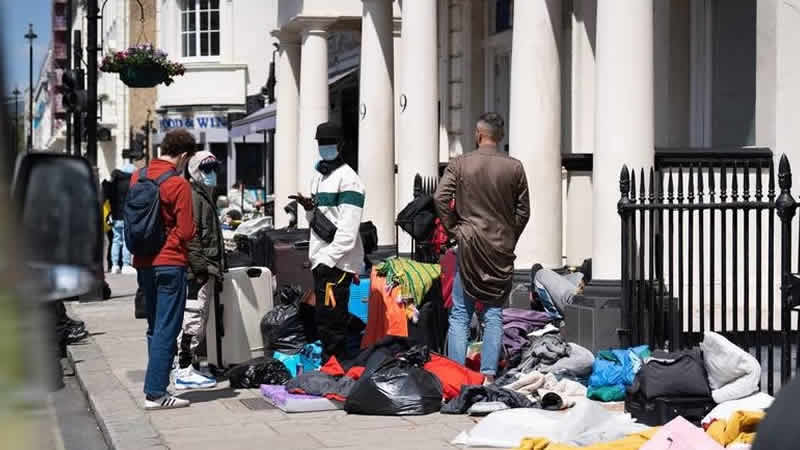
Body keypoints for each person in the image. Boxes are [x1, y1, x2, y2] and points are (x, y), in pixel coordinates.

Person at [434, 112, 530, 382]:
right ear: (500, 137)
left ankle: (456, 375)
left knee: (460, 313)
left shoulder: (461, 164)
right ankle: (488, 375)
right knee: (494, 313)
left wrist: (455, 229)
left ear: (478, 134)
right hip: (499, 247)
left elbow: (441, 198)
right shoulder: (514, 167)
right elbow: (524, 212)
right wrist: (508, 235)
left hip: (469, 244)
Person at [131, 129, 196, 410]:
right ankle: (156, 392)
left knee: (154, 327)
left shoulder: (139, 176)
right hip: (170, 262)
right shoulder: (178, 184)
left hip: (144, 261)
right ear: (182, 155)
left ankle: (158, 385)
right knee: (168, 329)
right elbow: (187, 230)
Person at [292, 122, 365, 362]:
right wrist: (310, 210)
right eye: (321, 143)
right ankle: (331, 367)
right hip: (321, 258)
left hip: (338, 262)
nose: (325, 148)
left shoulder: (349, 180)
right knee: (324, 319)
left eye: (329, 143)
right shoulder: (319, 177)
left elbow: (348, 229)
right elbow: (319, 222)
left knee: (333, 321)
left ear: (341, 145)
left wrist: (328, 260)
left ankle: (336, 368)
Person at [174, 151, 223, 390]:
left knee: (198, 317)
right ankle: (183, 368)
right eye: (206, 169)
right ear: (194, 171)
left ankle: (188, 366)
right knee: (193, 317)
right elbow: (191, 236)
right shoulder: (194, 196)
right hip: (198, 271)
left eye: (214, 168)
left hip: (204, 268)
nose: (212, 173)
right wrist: (201, 267)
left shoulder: (203, 195)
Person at [109, 161, 136, 274]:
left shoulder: (114, 182)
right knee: (126, 240)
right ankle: (126, 264)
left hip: (115, 216)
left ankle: (114, 265)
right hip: (127, 216)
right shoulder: (131, 183)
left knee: (116, 240)